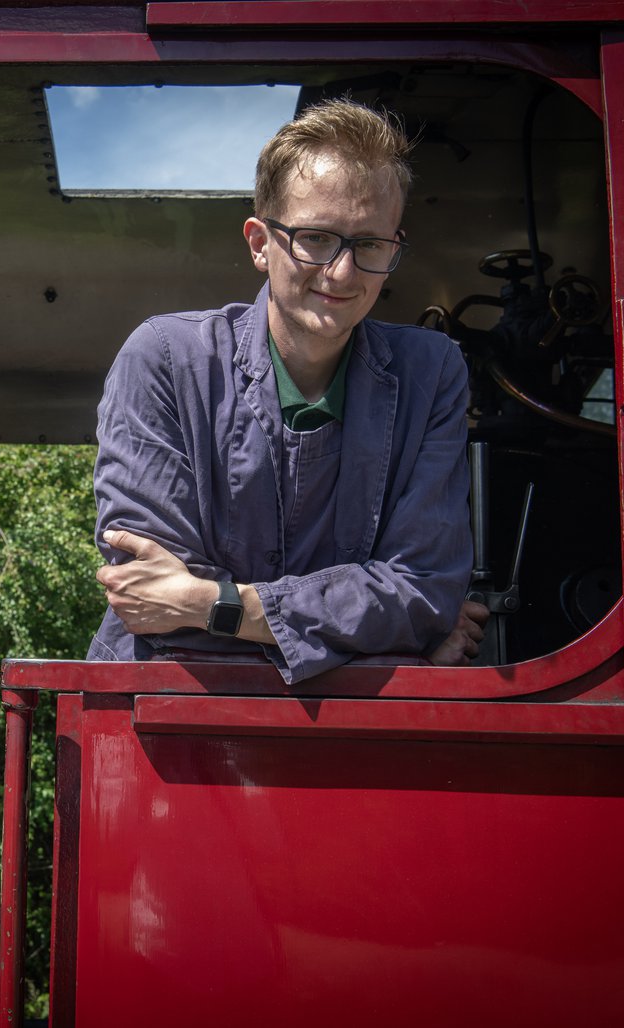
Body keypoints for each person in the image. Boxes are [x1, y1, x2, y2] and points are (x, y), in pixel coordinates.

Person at [89, 99, 486, 683]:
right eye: (317, 238)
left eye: (370, 245)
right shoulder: (166, 360)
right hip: (164, 720)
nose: (343, 273)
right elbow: (151, 604)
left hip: (349, 737)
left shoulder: (433, 373)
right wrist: (381, 642)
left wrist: (215, 604)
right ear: (259, 241)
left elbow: (424, 591)